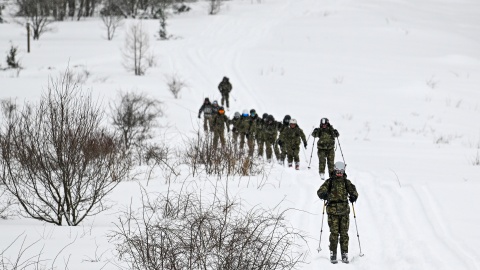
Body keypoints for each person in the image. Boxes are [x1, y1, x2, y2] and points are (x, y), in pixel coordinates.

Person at [317, 161, 358, 264]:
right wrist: (323, 195)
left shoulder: (346, 182)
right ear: (334, 171)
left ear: (343, 172)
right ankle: (333, 253)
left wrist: (353, 196)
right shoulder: (329, 182)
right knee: (334, 233)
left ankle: (344, 253)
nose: (339, 173)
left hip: (344, 211)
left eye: (341, 172)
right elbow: (320, 191)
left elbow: (354, 191)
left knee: (344, 233)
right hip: (332, 212)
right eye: (337, 172)